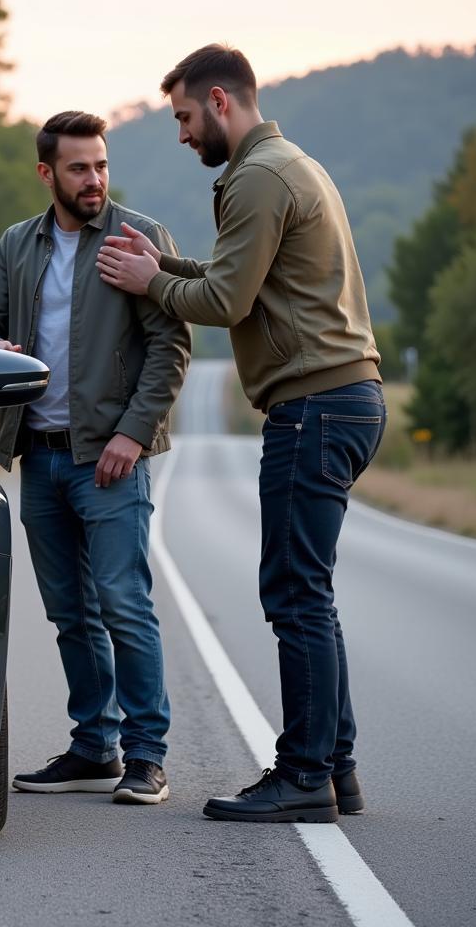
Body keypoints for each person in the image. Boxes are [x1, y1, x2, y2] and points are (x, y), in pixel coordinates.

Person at [96, 45, 386, 823]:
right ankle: (337, 771)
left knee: (293, 596)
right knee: (310, 594)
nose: (184, 135)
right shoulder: (292, 165)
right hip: (345, 399)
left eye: (186, 118)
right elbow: (245, 278)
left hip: (316, 406)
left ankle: (302, 778)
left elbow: (226, 302)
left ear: (220, 101)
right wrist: (164, 262)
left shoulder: (257, 177)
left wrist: (149, 281)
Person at [0, 111, 191, 805]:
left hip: (110, 461)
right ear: (47, 174)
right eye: (79, 168)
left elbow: (171, 348)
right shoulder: (17, 245)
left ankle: (147, 756)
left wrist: (133, 432)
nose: (94, 180)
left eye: (102, 166)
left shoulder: (139, 238)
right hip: (39, 455)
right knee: (70, 614)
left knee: (124, 604)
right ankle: (95, 745)